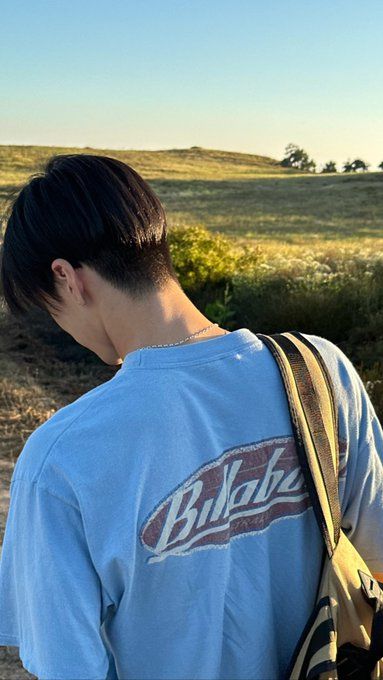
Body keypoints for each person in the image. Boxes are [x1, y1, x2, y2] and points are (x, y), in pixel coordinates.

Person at [0, 153, 382, 680]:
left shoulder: (61, 459)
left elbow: (69, 666)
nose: (64, 328)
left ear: (68, 279)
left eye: (51, 309)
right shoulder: (319, 373)